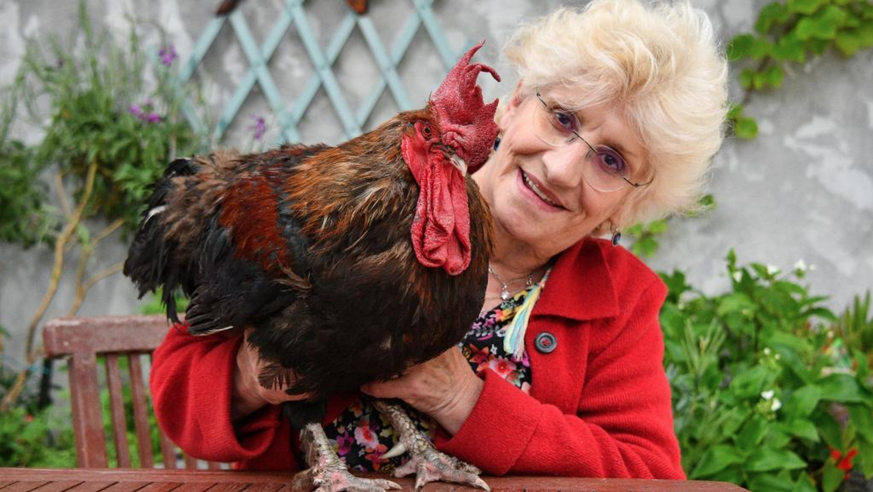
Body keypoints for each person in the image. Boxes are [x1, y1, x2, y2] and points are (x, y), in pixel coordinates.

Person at [150, 0, 728, 480]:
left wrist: (463, 398)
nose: (561, 168)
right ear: (516, 102)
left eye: (610, 159)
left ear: (628, 203)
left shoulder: (618, 301)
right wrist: (256, 376)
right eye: (564, 119)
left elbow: (647, 477)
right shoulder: (349, 212)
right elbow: (178, 390)